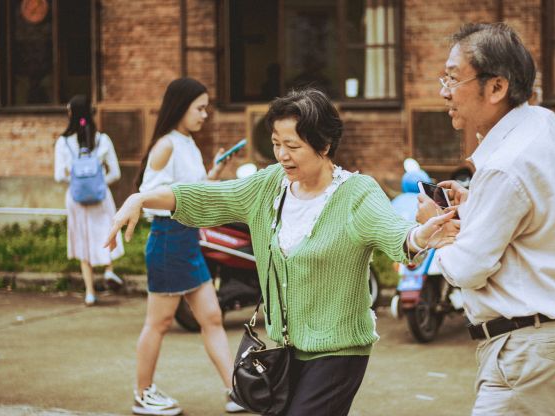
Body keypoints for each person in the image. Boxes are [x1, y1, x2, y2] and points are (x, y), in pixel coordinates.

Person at [106, 87, 456, 416]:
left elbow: (394, 234)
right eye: (276, 143)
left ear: (324, 144)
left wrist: (421, 236)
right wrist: (141, 197)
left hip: (339, 352)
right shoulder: (269, 185)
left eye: (293, 145)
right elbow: (207, 196)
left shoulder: (356, 193)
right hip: (285, 351)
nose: (282, 154)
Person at [415, 23, 555, 415]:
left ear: (496, 88)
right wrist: (480, 203)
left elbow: (468, 269)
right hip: (547, 340)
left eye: (452, 77)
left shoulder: (503, 167)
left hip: (523, 349)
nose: (443, 91)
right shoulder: (546, 125)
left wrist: (438, 233)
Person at [128, 77, 244, 415]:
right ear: (181, 107)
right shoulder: (166, 145)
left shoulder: (187, 143)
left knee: (212, 317)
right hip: (168, 240)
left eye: (206, 108)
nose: (205, 114)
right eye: (200, 107)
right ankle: (143, 393)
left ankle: (235, 391)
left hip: (186, 242)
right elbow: (148, 197)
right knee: (158, 323)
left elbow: (191, 192)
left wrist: (215, 173)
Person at [54, 95, 125, 306]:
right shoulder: (103, 140)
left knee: (83, 240)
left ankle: (90, 293)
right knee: (106, 233)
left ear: (71, 114)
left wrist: (76, 180)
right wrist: (98, 182)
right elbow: (116, 173)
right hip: (100, 197)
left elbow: (59, 176)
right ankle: (109, 270)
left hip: (76, 200)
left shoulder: (63, 142)